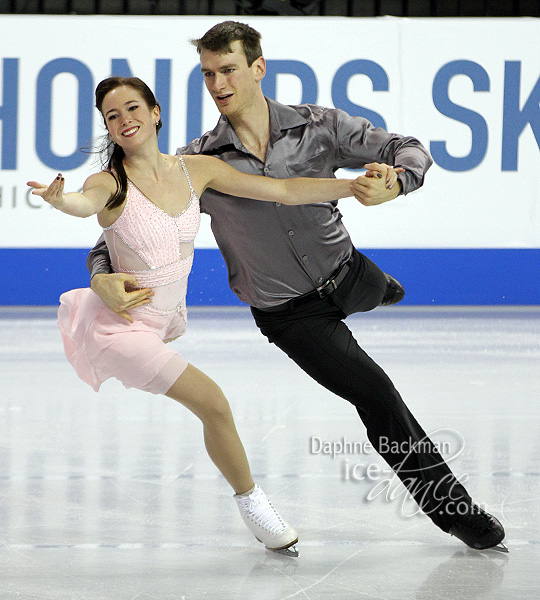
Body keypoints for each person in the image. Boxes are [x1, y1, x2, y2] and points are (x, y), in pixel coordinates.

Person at [86, 22, 507, 552]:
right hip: (290, 314)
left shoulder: (321, 126)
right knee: (375, 394)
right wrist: (101, 276)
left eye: (229, 70)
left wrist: (396, 182)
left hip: (346, 270)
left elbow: (406, 148)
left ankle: (380, 290)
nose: (218, 83)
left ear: (258, 68)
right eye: (208, 74)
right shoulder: (197, 164)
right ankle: (455, 512)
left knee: (374, 286)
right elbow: (119, 231)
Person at [28, 76, 374, 557]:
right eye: (112, 115)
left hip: (158, 322)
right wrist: (60, 200)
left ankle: (251, 502)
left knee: (212, 406)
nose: (124, 120)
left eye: (132, 108)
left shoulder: (197, 170)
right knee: (213, 403)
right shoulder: (109, 182)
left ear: (155, 112)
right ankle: (255, 507)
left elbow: (283, 190)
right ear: (108, 127)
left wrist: (352, 186)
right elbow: (83, 203)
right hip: (122, 328)